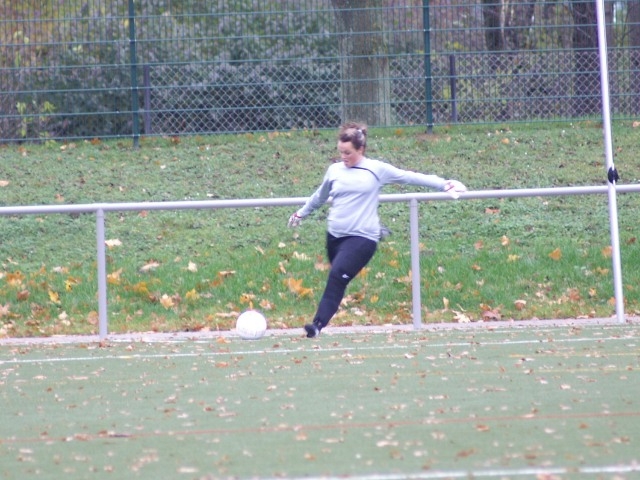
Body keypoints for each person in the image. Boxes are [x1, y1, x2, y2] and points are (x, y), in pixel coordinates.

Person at [287, 122, 467, 338]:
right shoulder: (334, 170)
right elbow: (320, 196)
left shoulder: (376, 169)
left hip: (362, 238)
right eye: (340, 152)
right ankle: (319, 323)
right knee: (337, 278)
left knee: (337, 276)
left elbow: (409, 176)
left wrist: (444, 184)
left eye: (348, 153)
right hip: (334, 237)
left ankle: (317, 325)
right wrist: (301, 213)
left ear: (361, 149)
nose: (343, 157)